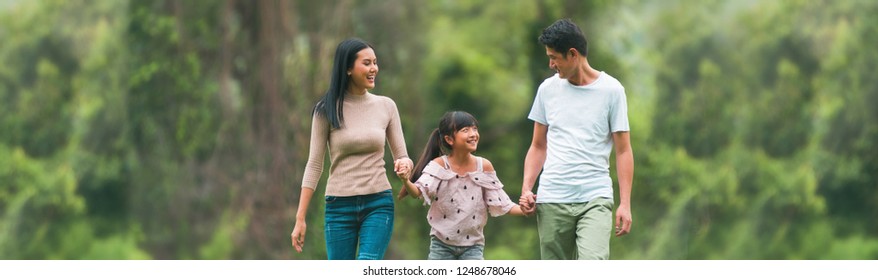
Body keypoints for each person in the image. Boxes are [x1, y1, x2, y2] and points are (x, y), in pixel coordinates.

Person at [520, 18, 634, 260]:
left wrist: (625, 203)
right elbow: (538, 145)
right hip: (552, 199)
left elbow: (623, 150)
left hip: (595, 196)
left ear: (572, 54)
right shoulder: (547, 90)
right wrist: (527, 188)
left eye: (554, 57)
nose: (551, 64)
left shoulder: (612, 90)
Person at [291, 38, 413, 260]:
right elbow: (314, 164)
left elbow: (403, 156)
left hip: (378, 202)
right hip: (338, 206)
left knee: (367, 264)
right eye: (366, 63)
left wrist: (405, 165)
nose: (374, 68)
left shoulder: (386, 106)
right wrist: (300, 218)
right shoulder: (325, 109)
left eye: (375, 63)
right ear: (348, 68)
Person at [398, 111, 529, 260]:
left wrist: (525, 210)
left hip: (473, 248)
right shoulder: (440, 165)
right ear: (449, 139)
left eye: (474, 129)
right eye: (465, 130)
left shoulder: (484, 166)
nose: (473, 134)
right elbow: (417, 192)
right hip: (441, 246)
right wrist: (405, 180)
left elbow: (503, 204)